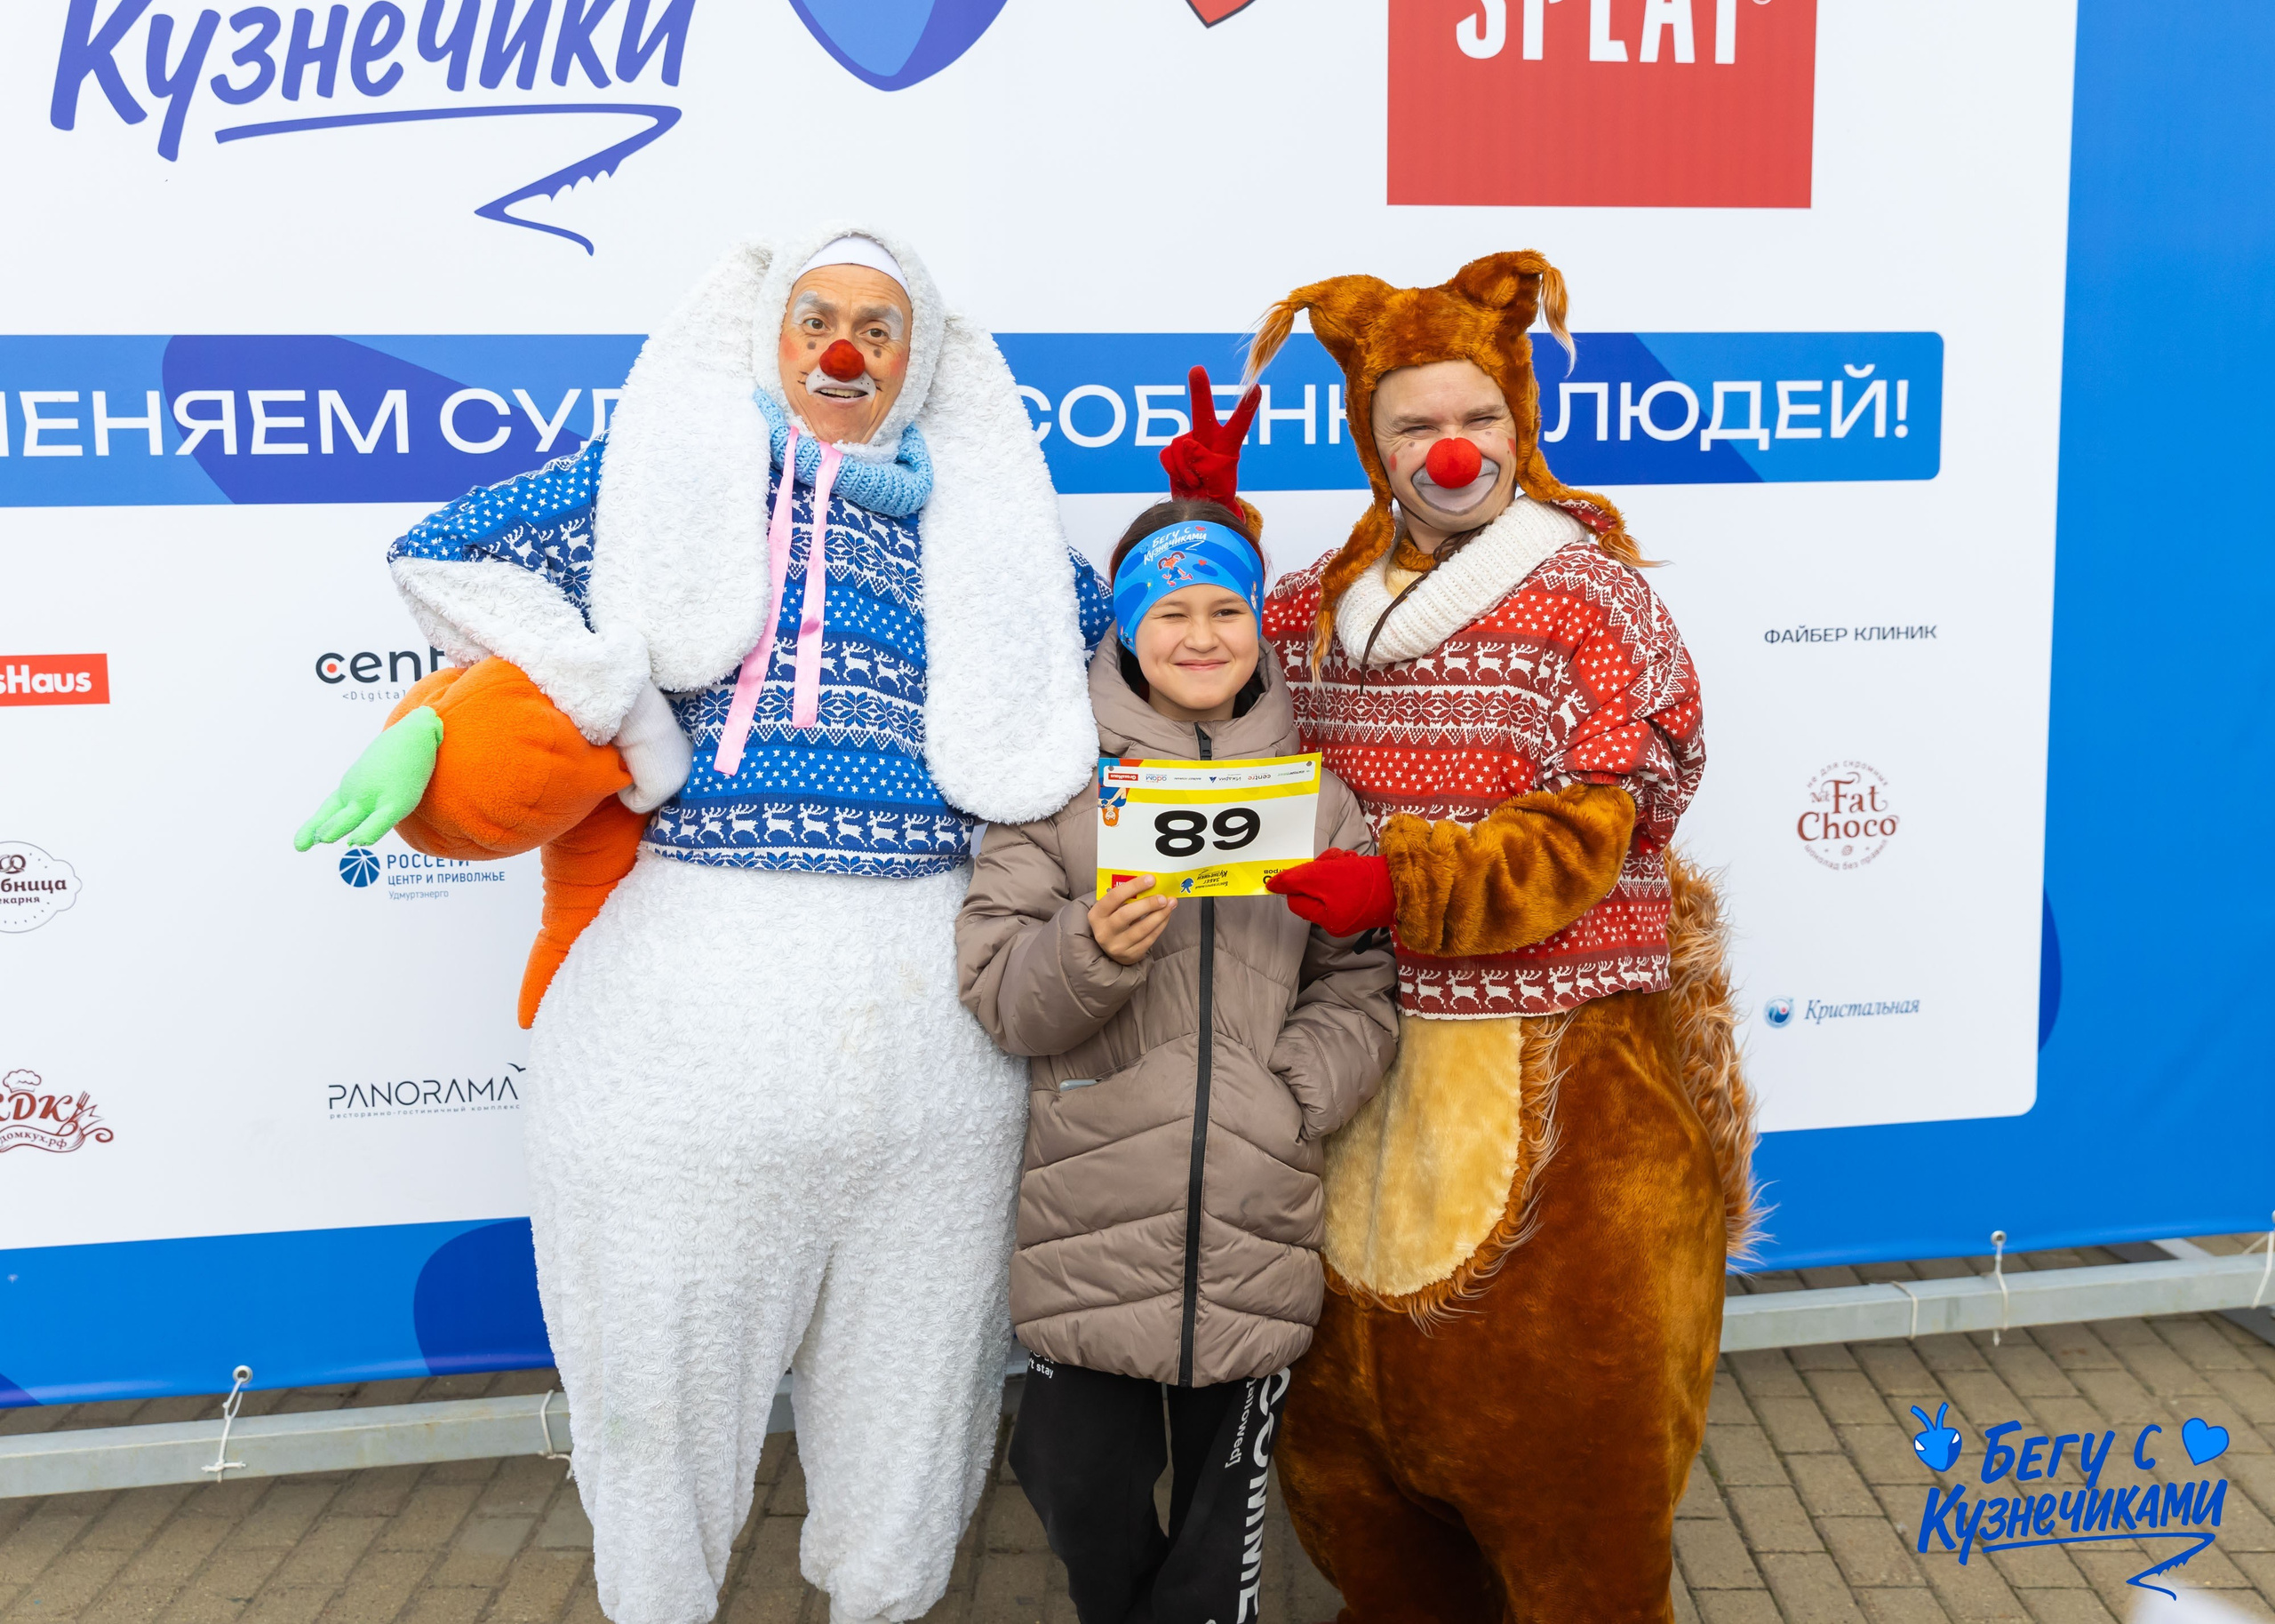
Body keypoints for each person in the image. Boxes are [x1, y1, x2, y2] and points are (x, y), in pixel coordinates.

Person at [297, 223, 1109, 1624]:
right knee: (660, 1374)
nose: (842, 349)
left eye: (875, 325)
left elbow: (1117, 665)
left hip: (933, 1014)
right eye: (814, 318)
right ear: (764, 336)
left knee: (918, 1375)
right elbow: (442, 553)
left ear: (921, 363)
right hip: (684, 1002)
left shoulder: (997, 542)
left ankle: (889, 1595)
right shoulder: (658, 488)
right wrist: (591, 673)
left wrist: (1206, 550)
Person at [1217, 251, 1760, 1621]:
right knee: (1358, 1486)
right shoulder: (1324, 606)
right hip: (1361, 1055)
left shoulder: (1593, 598)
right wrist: (1204, 537)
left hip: (1560, 1062)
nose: (1451, 451)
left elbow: (1594, 828)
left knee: (1573, 1472)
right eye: (1414, 425)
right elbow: (1204, 689)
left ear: (1520, 426)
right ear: (1371, 441)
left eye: (1481, 421)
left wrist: (1402, 883)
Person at [954, 491, 1398, 1624]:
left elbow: (1362, 983)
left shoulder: (1319, 797)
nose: (1199, 636)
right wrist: (1089, 949)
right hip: (1092, 1215)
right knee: (1069, 1478)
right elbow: (1001, 993)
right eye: (1168, 613)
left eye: (1224, 610)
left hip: (1256, 1216)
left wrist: (1293, 1093)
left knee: (1219, 1525)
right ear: (1122, 632)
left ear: (1259, 625)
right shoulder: (1054, 795)